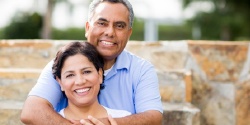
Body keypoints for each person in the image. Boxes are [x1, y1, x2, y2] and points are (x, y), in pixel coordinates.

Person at [20, 0, 163, 124]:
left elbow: (153, 118)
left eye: (119, 26)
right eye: (102, 23)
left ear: (128, 33)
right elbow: (31, 111)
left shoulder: (141, 70)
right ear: (87, 28)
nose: (110, 32)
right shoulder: (62, 65)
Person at [52, 41, 131, 123]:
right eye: (70, 75)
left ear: (100, 75)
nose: (80, 81)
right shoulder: (49, 122)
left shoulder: (124, 117)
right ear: (60, 82)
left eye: (86, 72)